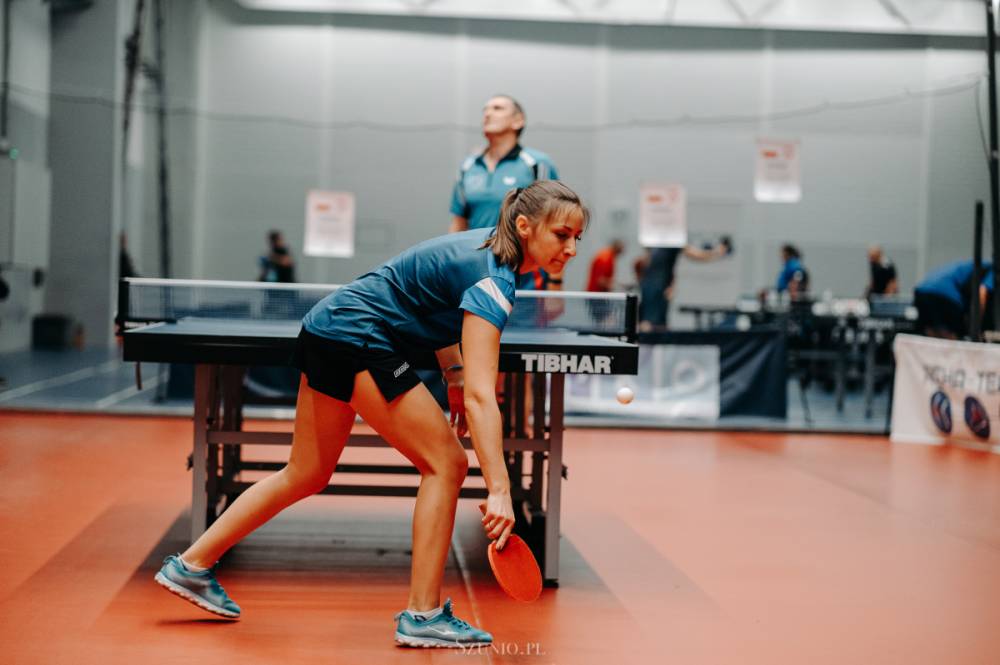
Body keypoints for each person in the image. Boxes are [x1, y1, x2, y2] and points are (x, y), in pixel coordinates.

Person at [153, 181, 589, 648]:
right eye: (562, 235)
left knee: (306, 472)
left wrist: (453, 373)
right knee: (447, 463)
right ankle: (423, 615)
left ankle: (191, 565)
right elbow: (485, 397)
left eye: (577, 238)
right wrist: (500, 489)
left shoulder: (483, 247)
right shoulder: (494, 280)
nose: (571, 249)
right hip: (359, 337)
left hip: (326, 327)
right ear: (524, 226)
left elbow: (435, 302)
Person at [449, 95, 559, 234]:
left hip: (519, 248)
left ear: (518, 121)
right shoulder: (468, 166)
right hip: (476, 248)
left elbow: (553, 219)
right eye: (485, 110)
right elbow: (459, 222)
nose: (487, 114)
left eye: (497, 108)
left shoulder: (537, 164)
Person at [636, 238, 731, 332]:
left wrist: (672, 285)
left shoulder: (666, 241)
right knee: (650, 325)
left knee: (656, 324)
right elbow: (697, 255)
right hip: (655, 288)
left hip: (657, 287)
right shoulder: (667, 240)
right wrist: (717, 252)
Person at [914, 259, 994, 339]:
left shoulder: (974, 265)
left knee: (930, 330)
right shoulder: (993, 270)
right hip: (945, 294)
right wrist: (975, 324)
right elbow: (982, 292)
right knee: (953, 334)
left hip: (922, 291)